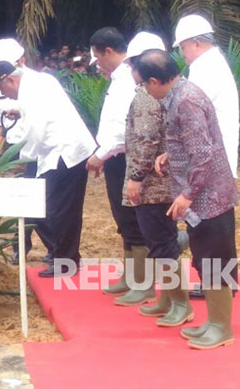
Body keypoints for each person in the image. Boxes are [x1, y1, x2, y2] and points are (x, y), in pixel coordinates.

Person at [137, 49, 238, 350]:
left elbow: (203, 154)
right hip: (205, 198)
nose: (144, 89)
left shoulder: (185, 100)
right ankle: (214, 322)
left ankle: (223, 328)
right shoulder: (182, 94)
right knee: (205, 260)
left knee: (214, 263)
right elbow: (196, 142)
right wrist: (172, 153)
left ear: (155, 81)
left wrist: (186, 194)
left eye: (144, 83)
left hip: (210, 199)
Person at [0, 61, 95, 278]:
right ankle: (67, 260)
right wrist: (18, 110)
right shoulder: (37, 82)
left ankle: (65, 263)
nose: (5, 95)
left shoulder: (31, 90)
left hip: (65, 153)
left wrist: (20, 159)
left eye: (3, 90)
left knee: (59, 210)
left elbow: (35, 132)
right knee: (63, 209)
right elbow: (42, 109)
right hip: (63, 152)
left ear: (10, 79)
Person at [122, 33, 193, 325]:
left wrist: (136, 176)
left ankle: (180, 303)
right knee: (158, 242)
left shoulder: (147, 96)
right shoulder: (150, 93)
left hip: (154, 183)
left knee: (161, 243)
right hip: (157, 179)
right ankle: (167, 298)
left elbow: (147, 139)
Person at [86, 27, 147, 301]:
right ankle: (131, 276)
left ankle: (142, 282)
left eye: (98, 59)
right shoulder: (119, 77)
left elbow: (125, 126)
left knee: (133, 219)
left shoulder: (126, 79)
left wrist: (102, 154)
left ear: (109, 51)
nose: (98, 66)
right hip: (114, 157)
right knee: (123, 219)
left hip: (124, 157)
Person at [0, 38, 55, 265]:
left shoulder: (38, 83)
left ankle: (54, 247)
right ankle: (21, 247)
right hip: (18, 151)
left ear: (22, 60)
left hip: (39, 150)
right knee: (22, 202)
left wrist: (27, 158)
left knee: (40, 201)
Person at [172, 14, 239, 179]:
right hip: (212, 152)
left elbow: (191, 111)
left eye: (183, 47)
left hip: (212, 154)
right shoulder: (209, 63)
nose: (182, 53)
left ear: (197, 43)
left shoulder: (206, 67)